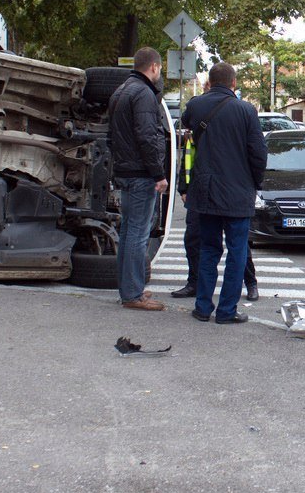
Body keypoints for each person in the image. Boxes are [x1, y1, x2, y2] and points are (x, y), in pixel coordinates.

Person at [181, 62, 267, 324]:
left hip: (205, 191)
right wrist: (255, 182)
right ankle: (227, 311)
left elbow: (185, 131)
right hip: (237, 192)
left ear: (210, 81)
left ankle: (202, 307)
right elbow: (258, 152)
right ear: (234, 83)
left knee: (208, 249)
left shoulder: (196, 106)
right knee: (237, 251)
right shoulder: (246, 110)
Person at [107, 47, 170, 311]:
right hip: (141, 174)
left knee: (128, 232)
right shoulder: (143, 93)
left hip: (125, 170)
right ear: (154, 67)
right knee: (137, 234)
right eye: (160, 69)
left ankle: (129, 290)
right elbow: (147, 136)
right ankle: (133, 294)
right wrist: (158, 174)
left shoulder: (121, 91)